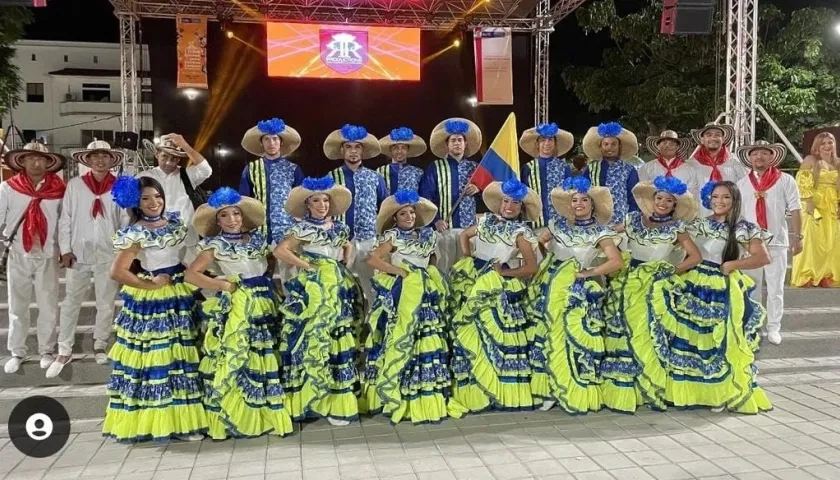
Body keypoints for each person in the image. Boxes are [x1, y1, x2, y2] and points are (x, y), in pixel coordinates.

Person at [103, 175, 207, 443]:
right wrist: (151, 286)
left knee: (182, 358)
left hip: (179, 296)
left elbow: (182, 258)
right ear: (135, 202)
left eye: (157, 196)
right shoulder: (135, 232)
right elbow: (117, 272)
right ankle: (160, 422)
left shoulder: (173, 223)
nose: (153, 202)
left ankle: (184, 422)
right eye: (146, 198)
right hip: (155, 301)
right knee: (159, 360)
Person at [186, 187, 294, 439]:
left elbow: (270, 259)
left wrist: (265, 278)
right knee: (241, 355)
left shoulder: (257, 240)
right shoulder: (214, 245)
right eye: (225, 216)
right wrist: (223, 285)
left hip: (265, 302)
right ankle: (240, 413)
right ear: (218, 221)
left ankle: (265, 410)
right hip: (238, 307)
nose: (232, 219)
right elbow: (192, 274)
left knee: (266, 353)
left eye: (236, 214)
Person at [669, 181, 772, 414]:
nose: (719, 201)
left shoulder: (744, 227)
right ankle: (694, 392)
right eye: (715, 196)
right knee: (691, 338)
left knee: (717, 339)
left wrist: (733, 264)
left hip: (720, 288)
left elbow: (762, 257)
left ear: (735, 201)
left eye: (726, 197)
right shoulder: (700, 224)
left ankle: (720, 391)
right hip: (694, 285)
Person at [601, 176, 702, 413]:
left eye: (669, 200)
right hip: (628, 282)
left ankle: (653, 385)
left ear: (675, 205)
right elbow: (604, 234)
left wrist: (669, 272)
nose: (663, 203)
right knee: (625, 332)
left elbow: (695, 257)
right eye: (659, 198)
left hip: (655, 286)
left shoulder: (678, 228)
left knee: (650, 334)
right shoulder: (633, 220)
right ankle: (628, 388)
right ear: (652, 199)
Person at [273, 176, 364, 426]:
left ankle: (336, 398)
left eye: (325, 200)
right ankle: (312, 398)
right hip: (315, 288)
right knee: (314, 335)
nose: (322, 205)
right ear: (308, 204)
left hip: (338, 283)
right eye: (316, 201)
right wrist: (308, 265)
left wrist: (346, 261)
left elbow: (347, 245)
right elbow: (280, 251)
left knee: (338, 334)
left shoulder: (338, 227)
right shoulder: (302, 228)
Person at [528, 176, 623, 414]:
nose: (578, 204)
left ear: (593, 205)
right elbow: (540, 243)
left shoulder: (601, 232)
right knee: (551, 337)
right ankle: (551, 389)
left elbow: (616, 261)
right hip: (551, 288)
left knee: (575, 340)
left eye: (584, 200)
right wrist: (547, 261)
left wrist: (589, 273)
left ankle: (576, 389)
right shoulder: (557, 225)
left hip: (579, 293)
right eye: (574, 200)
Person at [448, 178, 541, 416]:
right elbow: (463, 236)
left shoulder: (522, 232)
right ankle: (475, 392)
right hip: (473, 280)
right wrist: (468, 258)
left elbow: (531, 267)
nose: (509, 206)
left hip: (497, 288)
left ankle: (498, 390)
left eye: (515, 203)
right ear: (500, 202)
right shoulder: (484, 220)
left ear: (521, 208)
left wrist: (506, 272)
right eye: (506, 201)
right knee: (471, 334)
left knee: (497, 338)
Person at [361, 190, 450, 424]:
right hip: (404, 292)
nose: (409, 216)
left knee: (425, 337)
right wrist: (400, 271)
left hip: (426, 291)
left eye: (412, 212)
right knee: (401, 335)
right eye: (403, 213)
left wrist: (427, 273)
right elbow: (373, 259)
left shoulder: (428, 236)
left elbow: (432, 259)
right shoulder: (392, 237)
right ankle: (397, 392)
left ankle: (423, 394)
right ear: (395, 218)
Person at [47, 141, 123, 378]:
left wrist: (123, 252)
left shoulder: (119, 186)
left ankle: (100, 343)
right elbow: (65, 218)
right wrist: (65, 249)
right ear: (87, 161)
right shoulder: (76, 185)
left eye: (104, 156)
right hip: (79, 254)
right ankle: (64, 348)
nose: (100, 160)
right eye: (95, 156)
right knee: (71, 301)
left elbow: (125, 221)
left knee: (106, 302)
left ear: (112, 160)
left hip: (108, 253)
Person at [1, 142, 66, 374]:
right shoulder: (8, 187)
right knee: (17, 304)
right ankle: (17, 350)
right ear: (22, 161)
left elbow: (64, 223)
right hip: (19, 252)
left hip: (48, 252)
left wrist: (65, 249)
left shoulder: (60, 189)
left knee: (48, 304)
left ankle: (46, 349)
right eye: (31, 158)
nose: (36, 163)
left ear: (49, 163)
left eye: (41, 159)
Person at [736, 141, 802, 345]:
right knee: (751, 287)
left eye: (765, 153)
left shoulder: (785, 180)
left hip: (777, 241)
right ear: (750, 158)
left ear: (772, 157)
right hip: (751, 243)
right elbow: (738, 216)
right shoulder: (741, 183)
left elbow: (796, 209)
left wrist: (798, 236)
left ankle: (774, 327)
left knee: (775, 288)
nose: (759, 157)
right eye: (755, 154)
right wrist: (740, 242)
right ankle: (753, 325)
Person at [326, 124, 388, 303]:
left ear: (363, 150)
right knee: (338, 284)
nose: (353, 151)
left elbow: (384, 207)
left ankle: (372, 323)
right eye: (348, 147)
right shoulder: (331, 178)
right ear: (342, 150)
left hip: (368, 238)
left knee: (371, 285)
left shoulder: (375, 177)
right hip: (340, 239)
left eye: (357, 147)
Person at [419, 118, 483, 274]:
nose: (457, 143)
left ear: (465, 143)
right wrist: (436, 220)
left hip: (468, 229)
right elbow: (425, 198)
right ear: (446, 144)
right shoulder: (435, 167)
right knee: (444, 268)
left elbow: (489, 196)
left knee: (466, 269)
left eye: (460, 140)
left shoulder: (475, 168)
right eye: (453, 140)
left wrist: (478, 189)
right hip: (444, 228)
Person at [136, 134, 212, 262]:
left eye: (174, 158)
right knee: (162, 279)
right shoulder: (144, 176)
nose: (168, 162)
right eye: (164, 156)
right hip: (157, 240)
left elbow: (206, 169)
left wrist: (184, 145)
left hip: (187, 240)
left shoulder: (187, 174)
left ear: (178, 160)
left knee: (191, 279)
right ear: (157, 155)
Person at [238, 117, 304, 246]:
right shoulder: (251, 168)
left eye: (275, 139)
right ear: (261, 143)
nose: (271, 143)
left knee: (286, 265)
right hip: (258, 230)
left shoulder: (293, 169)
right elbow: (244, 199)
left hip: (287, 230)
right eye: (266, 139)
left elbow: (301, 198)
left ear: (281, 142)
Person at [791, 132, 840, 288]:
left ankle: (826, 274)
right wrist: (810, 203)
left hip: (832, 204)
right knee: (811, 239)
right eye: (823, 143)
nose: (827, 146)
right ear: (817, 146)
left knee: (830, 240)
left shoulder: (838, 163)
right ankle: (807, 274)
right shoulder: (810, 160)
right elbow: (802, 184)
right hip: (814, 202)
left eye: (830, 142)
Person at [581, 122, 640, 226]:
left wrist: (629, 222)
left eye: (613, 144)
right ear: (601, 147)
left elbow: (634, 197)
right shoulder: (591, 168)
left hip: (621, 223)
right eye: (606, 144)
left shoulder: (629, 169)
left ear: (619, 146)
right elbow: (582, 194)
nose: (610, 147)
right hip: (595, 223)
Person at [519, 122, 575, 231]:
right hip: (534, 224)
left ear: (555, 143)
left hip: (560, 224)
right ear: (537, 144)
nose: (547, 143)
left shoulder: (564, 167)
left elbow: (570, 194)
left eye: (550, 140)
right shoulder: (528, 168)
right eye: (543, 140)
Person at [687, 122, 748, 216]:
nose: (713, 138)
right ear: (702, 140)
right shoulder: (691, 164)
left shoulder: (734, 161)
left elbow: (746, 186)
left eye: (717, 135)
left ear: (723, 139)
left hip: (729, 217)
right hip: (701, 218)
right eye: (709, 135)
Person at [640, 130, 699, 197]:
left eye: (672, 144)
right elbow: (642, 191)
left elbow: (692, 194)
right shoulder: (646, 168)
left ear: (677, 147)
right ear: (658, 146)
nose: (667, 146)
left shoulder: (689, 169)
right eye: (664, 143)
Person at [376, 127, 427, 194]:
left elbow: (423, 197)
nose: (399, 151)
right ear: (390, 150)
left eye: (403, 148)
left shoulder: (418, 172)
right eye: (395, 148)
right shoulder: (380, 171)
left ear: (408, 150)